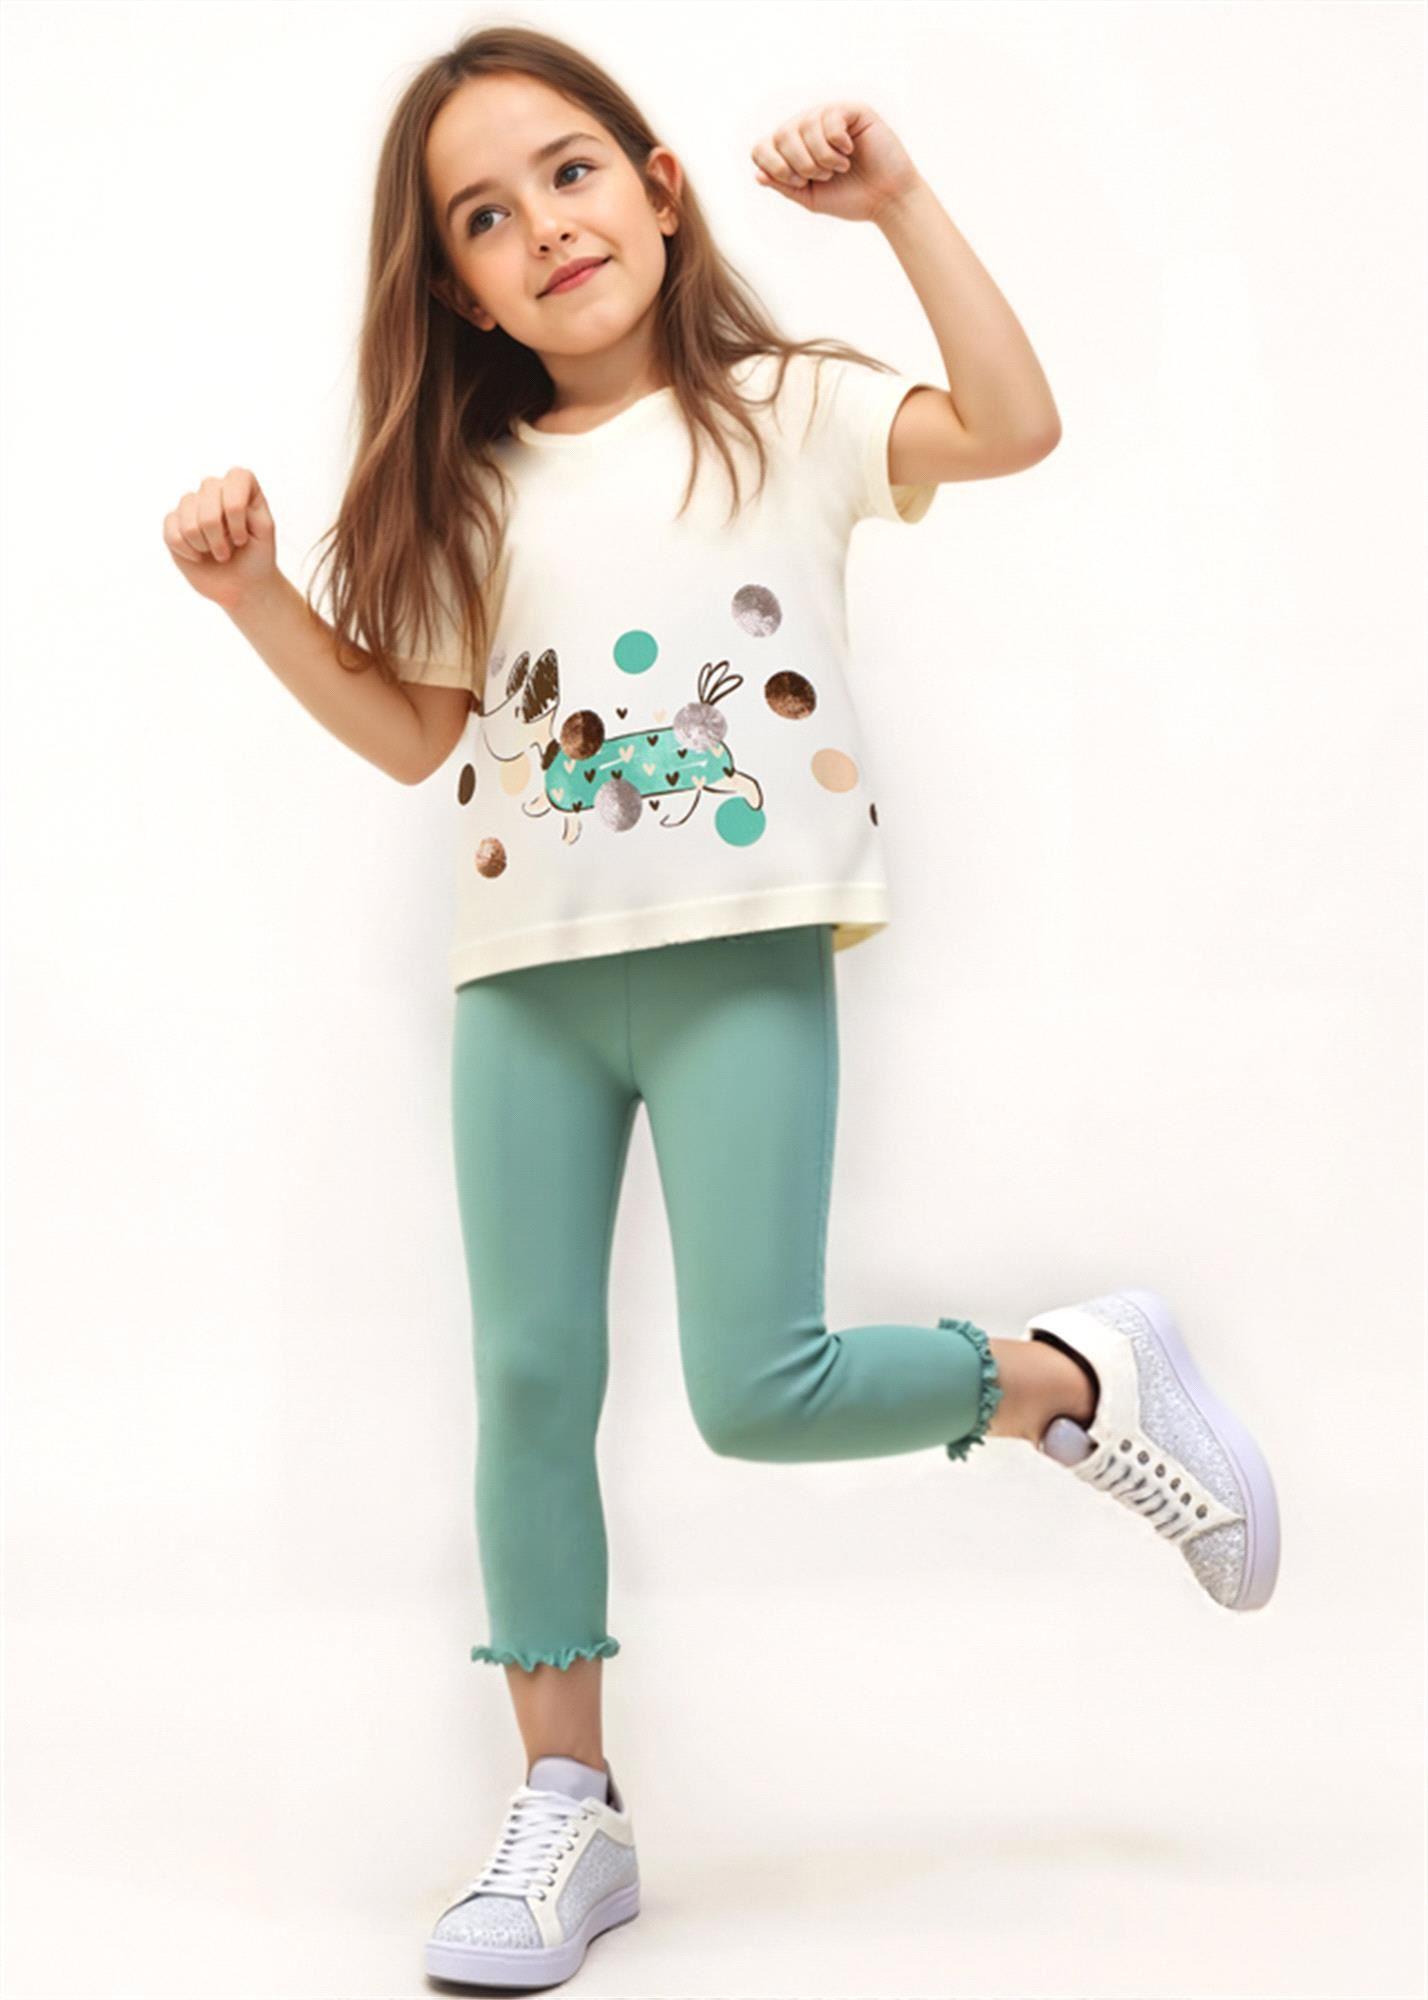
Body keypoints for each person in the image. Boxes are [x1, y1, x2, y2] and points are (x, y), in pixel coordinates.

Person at [161, 26, 1282, 1993]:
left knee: (757, 1389)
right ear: (459, 291)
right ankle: (566, 1805)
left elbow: (1014, 425)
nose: (542, 227)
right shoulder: (473, 480)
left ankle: (1069, 1378)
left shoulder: (792, 407)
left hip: (740, 956)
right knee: (529, 1385)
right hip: (525, 986)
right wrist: (259, 601)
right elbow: (417, 735)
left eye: (569, 173)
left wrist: (898, 202)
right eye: (483, 218)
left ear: (660, 190)